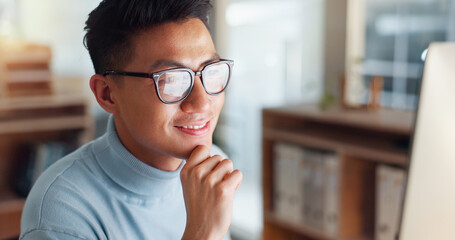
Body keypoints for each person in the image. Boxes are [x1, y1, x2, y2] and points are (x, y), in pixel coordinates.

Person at [20, 0, 242, 239]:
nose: (202, 102)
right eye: (171, 80)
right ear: (107, 94)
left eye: (211, 70)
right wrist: (203, 232)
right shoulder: (61, 211)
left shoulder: (212, 169)